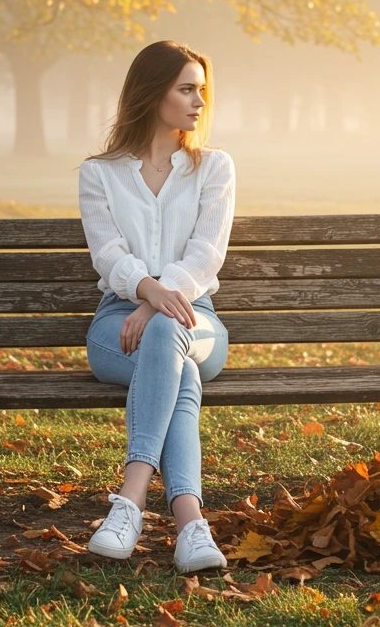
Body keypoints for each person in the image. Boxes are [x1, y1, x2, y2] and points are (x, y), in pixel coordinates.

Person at [76, 40, 236, 574]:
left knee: (170, 336)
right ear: (152, 93)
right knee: (177, 367)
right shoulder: (100, 173)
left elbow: (206, 254)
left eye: (202, 91)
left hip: (200, 318)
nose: (199, 102)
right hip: (115, 326)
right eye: (186, 89)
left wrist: (159, 303)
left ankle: (131, 501)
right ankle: (191, 523)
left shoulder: (213, 168)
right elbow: (109, 255)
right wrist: (147, 296)